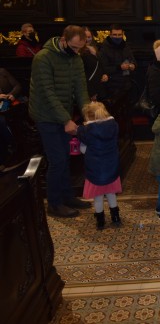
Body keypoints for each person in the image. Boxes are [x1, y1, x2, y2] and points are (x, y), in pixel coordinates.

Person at [29, 25, 91, 218]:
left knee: (65, 156)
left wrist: (88, 114)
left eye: (79, 48)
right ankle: (54, 204)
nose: (76, 52)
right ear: (63, 40)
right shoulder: (43, 58)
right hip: (45, 115)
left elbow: (81, 89)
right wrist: (66, 120)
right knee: (57, 160)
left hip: (63, 113)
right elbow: (47, 93)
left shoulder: (75, 58)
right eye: (73, 47)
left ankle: (67, 197)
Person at [77, 101, 122, 230]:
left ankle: (100, 220)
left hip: (95, 170)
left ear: (88, 116)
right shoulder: (113, 126)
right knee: (111, 193)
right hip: (111, 168)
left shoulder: (85, 131)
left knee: (98, 197)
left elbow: (83, 150)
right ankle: (115, 216)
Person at [99, 24, 137, 100]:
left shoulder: (125, 46)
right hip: (111, 86)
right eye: (115, 35)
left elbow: (133, 61)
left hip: (126, 84)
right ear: (110, 35)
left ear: (122, 34)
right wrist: (119, 67)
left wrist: (132, 65)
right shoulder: (104, 48)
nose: (117, 37)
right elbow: (103, 68)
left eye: (119, 35)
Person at [81, 27, 108, 101]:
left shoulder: (94, 49)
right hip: (88, 89)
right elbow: (84, 74)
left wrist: (104, 74)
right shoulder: (78, 53)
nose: (87, 39)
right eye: (84, 37)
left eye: (89, 37)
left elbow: (100, 66)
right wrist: (92, 92)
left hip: (98, 87)